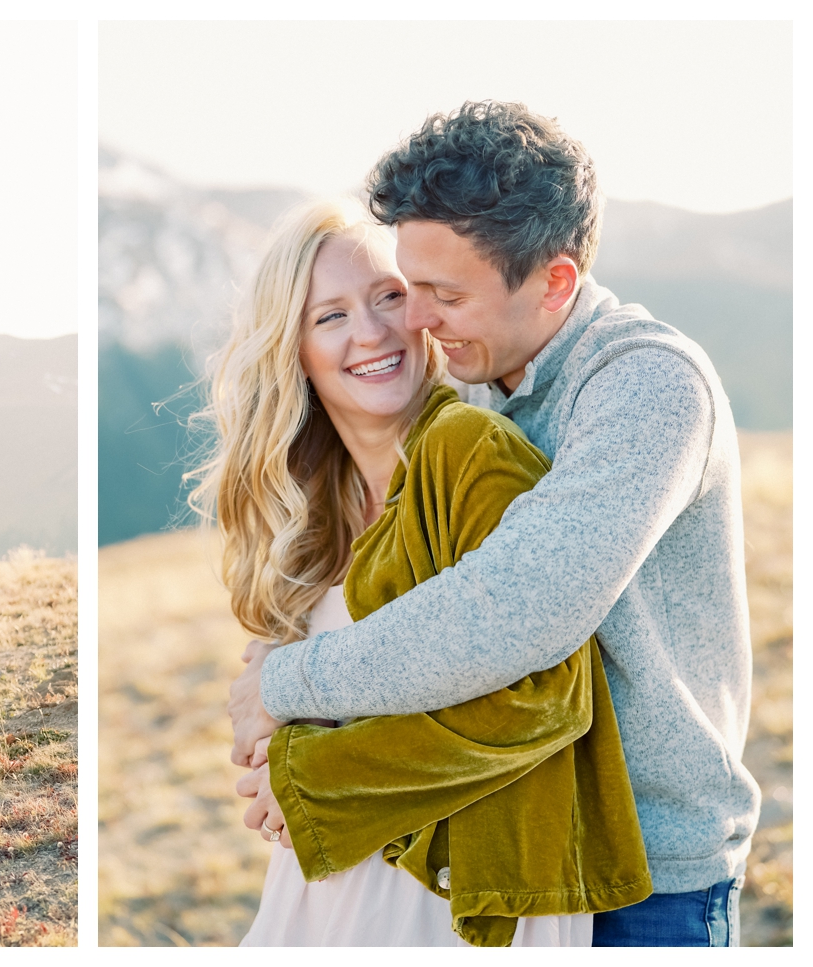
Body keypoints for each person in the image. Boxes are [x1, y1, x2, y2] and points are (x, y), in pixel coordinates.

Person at [228, 101, 757, 947]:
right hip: (517, 847)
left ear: (553, 282)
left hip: (650, 880)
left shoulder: (645, 387)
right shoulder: (477, 388)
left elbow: (511, 614)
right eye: (414, 286)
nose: (419, 321)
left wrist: (289, 691)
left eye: (442, 294)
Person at [194, 199, 649, 946]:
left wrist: (313, 780)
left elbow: (544, 700)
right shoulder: (318, 505)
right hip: (332, 890)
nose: (371, 332)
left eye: (389, 298)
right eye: (330, 316)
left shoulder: (468, 450)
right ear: (293, 351)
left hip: (455, 898)